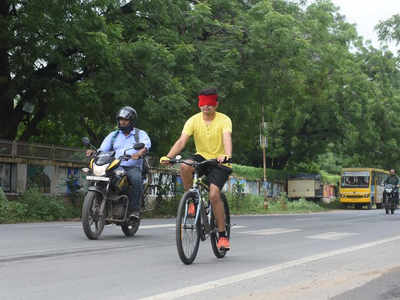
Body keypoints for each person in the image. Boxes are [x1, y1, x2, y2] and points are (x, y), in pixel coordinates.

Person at [160, 88, 232, 250]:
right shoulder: (193, 120)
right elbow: (182, 141)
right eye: (203, 104)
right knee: (185, 165)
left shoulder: (224, 120)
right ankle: (191, 200)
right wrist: (168, 156)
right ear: (199, 105)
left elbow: (226, 137)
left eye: (210, 104)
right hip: (202, 157)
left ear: (216, 104)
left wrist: (226, 155)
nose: (206, 107)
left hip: (220, 161)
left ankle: (222, 235)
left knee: (214, 195)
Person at [86, 106, 151, 219]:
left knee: (136, 180)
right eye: (120, 120)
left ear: (131, 121)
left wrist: (138, 154)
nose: (122, 122)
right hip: (114, 166)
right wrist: (94, 153)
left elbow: (146, 146)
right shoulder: (114, 135)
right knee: (95, 177)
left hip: (131, 167)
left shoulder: (140, 134)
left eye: (125, 120)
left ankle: (135, 210)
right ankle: (94, 204)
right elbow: (103, 149)